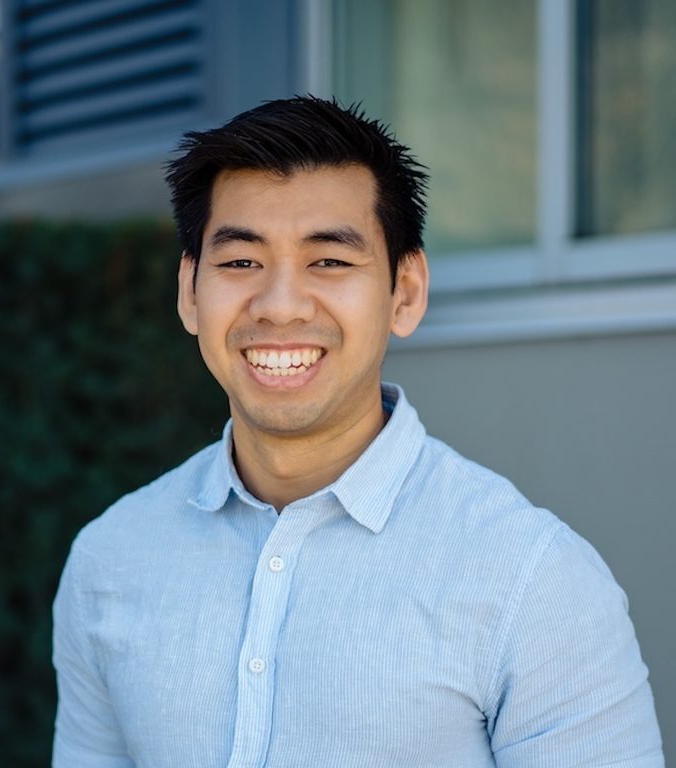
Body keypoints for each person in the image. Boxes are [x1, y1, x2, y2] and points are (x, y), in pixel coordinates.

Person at [52, 96, 663, 767]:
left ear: (406, 292)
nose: (280, 306)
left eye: (330, 261)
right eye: (241, 262)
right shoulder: (111, 558)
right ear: (189, 291)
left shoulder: (535, 579)